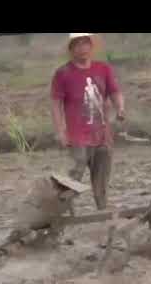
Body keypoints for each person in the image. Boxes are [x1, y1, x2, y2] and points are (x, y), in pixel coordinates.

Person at [51, 33, 125, 211]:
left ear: (91, 47)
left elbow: (115, 92)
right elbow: (56, 104)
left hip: (102, 134)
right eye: (77, 44)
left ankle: (102, 211)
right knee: (74, 175)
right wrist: (61, 131)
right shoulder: (63, 73)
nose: (82, 48)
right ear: (71, 49)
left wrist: (120, 107)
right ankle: (62, 212)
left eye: (85, 43)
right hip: (78, 135)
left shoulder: (103, 69)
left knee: (101, 177)